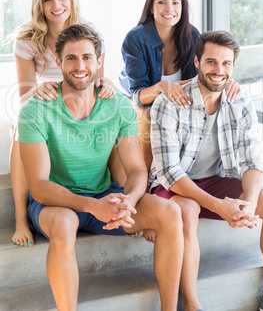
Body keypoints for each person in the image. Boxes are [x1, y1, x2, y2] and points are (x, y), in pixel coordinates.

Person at [17, 24, 184, 311]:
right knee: (65, 223)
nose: (79, 66)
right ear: (58, 62)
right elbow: (40, 187)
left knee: (169, 212)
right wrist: (92, 206)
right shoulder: (35, 110)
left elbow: (136, 170)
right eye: (71, 58)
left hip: (104, 196)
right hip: (55, 203)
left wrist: (129, 201)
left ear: (99, 61)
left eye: (86, 57)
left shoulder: (118, 107)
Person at [148, 30, 263, 311]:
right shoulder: (169, 102)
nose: (219, 70)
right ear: (197, 61)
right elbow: (169, 172)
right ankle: (191, 305)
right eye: (212, 62)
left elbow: (252, 162)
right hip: (173, 185)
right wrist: (220, 206)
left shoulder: (240, 101)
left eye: (226, 64)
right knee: (188, 211)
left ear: (234, 66)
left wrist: (247, 205)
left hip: (213, 180)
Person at [11, 0, 116, 248]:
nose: (56, 6)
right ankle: (22, 217)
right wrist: (38, 90)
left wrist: (107, 87)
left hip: (81, 103)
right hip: (45, 105)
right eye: (47, 0)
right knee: (18, 129)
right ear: (39, 4)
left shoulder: (90, 33)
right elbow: (24, 95)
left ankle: (120, 198)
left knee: (117, 120)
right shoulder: (26, 40)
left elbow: (97, 79)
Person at [119, 0, 239, 169]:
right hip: (145, 102)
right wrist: (161, 87)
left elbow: (206, 75)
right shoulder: (136, 38)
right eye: (162, 2)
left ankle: (205, 172)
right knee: (149, 114)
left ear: (182, 7)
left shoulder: (192, 35)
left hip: (179, 102)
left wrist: (228, 82)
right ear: (151, 7)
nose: (169, 8)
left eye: (176, 2)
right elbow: (138, 96)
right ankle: (150, 180)